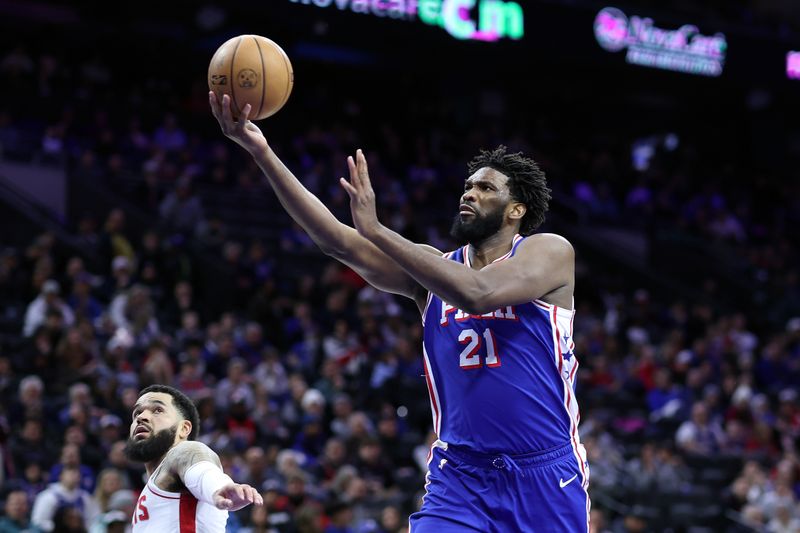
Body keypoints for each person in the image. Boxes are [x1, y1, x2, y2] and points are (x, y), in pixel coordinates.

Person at [210, 94, 590, 531]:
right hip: (461, 477)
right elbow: (335, 239)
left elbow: (479, 293)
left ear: (516, 210)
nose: (470, 193)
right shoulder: (430, 270)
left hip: (545, 474)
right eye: (468, 185)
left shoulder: (548, 252)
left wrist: (375, 228)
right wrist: (260, 150)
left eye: (486, 188)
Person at [124, 384, 262, 532]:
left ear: (184, 429)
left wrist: (218, 487)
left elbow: (200, 467)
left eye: (158, 410)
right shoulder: (150, 489)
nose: (141, 417)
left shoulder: (186, 450)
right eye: (137, 413)